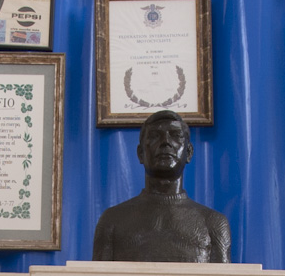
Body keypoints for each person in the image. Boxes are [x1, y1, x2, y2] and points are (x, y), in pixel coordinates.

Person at [93, 110, 231, 264]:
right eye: (154, 136)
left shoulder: (214, 224)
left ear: (189, 152)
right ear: (140, 153)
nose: (165, 142)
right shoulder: (112, 221)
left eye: (176, 135)